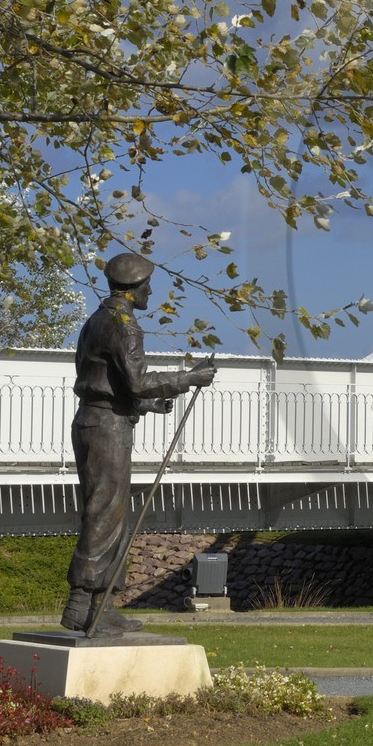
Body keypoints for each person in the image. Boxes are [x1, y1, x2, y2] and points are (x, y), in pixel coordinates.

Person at [62, 253, 216, 635]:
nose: (152, 291)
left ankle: (101, 605)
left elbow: (108, 382)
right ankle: (81, 603)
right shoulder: (125, 325)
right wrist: (188, 379)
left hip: (93, 420)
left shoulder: (97, 320)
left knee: (109, 515)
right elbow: (136, 382)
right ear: (136, 288)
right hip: (107, 429)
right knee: (105, 516)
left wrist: (148, 405)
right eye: (149, 285)